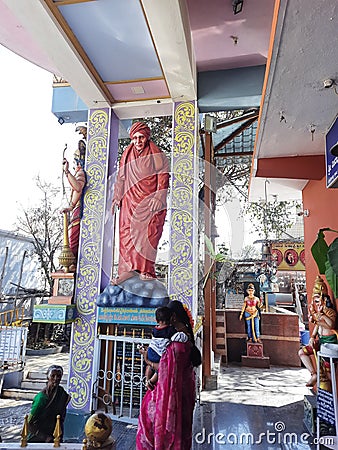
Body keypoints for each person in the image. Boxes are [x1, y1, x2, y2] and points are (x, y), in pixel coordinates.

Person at [136, 300, 201, 450]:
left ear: (173, 317)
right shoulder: (182, 335)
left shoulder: (177, 341)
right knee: (182, 430)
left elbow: (165, 367)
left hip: (169, 391)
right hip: (182, 389)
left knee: (159, 428)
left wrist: (148, 362)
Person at [111, 121, 170, 285]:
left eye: (141, 137)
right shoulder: (127, 153)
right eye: (135, 138)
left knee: (147, 236)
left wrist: (159, 197)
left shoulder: (156, 153)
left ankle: (146, 270)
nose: (138, 141)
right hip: (129, 202)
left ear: (147, 137)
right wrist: (117, 196)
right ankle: (126, 270)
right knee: (126, 235)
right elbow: (121, 177)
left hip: (148, 202)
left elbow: (164, 175)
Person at [298, 276, 337, 387]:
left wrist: (319, 318)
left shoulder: (330, 312)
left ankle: (332, 397)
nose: (317, 304)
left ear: (324, 300)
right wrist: (312, 337)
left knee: (328, 372)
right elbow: (316, 325)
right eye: (315, 301)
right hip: (320, 342)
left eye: (318, 301)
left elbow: (330, 325)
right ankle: (313, 374)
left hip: (330, 344)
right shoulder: (318, 314)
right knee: (302, 352)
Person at [27, 365, 71, 443]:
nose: (56, 379)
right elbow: (29, 423)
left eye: (58, 376)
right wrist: (44, 437)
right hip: (38, 438)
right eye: (53, 376)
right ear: (48, 377)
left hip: (55, 434)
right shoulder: (41, 398)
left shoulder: (61, 392)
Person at [61, 135, 86, 263]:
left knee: (73, 242)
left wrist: (67, 172)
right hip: (74, 212)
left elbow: (77, 187)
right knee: (71, 240)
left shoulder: (81, 172)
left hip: (78, 212)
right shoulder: (78, 172)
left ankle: (73, 263)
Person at [140, 306, 176, 390]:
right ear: (170, 319)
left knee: (149, 366)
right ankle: (151, 382)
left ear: (156, 320)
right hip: (159, 354)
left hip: (151, 351)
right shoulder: (170, 330)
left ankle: (147, 379)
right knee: (159, 369)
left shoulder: (155, 330)